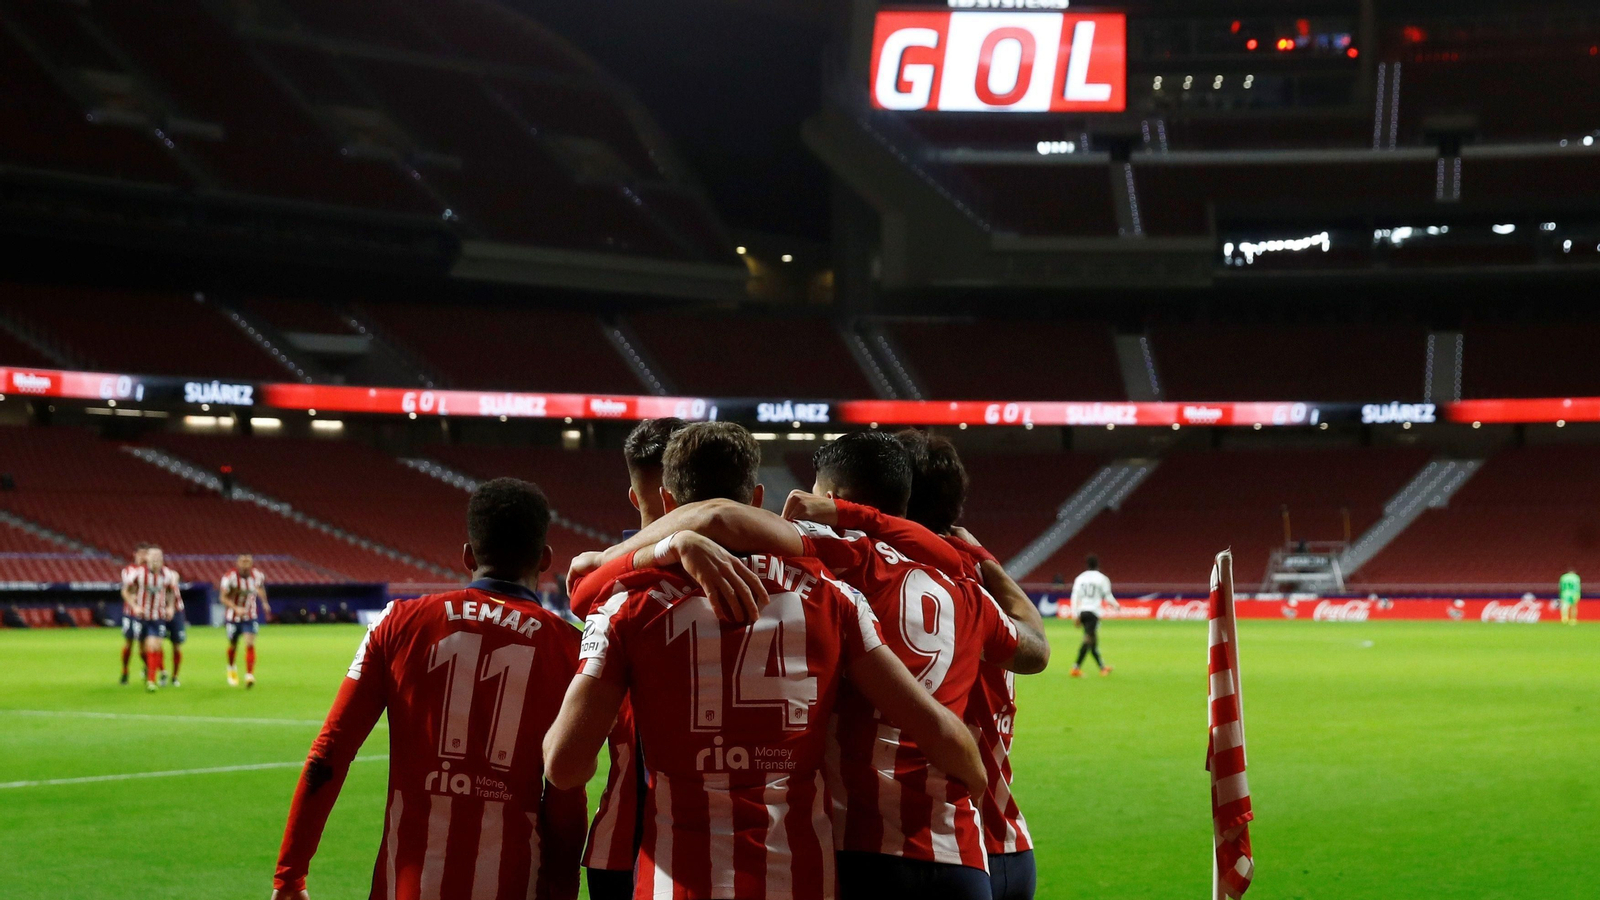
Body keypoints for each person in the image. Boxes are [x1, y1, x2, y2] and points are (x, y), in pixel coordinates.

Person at [585, 430, 1048, 899]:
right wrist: (986, 561)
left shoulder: (843, 559)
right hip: (967, 847)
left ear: (832, 498)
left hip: (859, 848)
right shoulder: (968, 589)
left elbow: (718, 516)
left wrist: (642, 550)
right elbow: (1035, 651)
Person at [272, 478, 587, 900]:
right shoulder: (570, 648)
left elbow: (329, 752)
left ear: (468, 555)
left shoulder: (397, 623)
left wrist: (289, 875)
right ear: (545, 558)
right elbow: (566, 792)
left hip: (405, 886)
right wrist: (563, 890)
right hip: (513, 882)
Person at [566, 416, 686, 900]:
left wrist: (610, 557)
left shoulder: (603, 591)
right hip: (734, 846)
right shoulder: (770, 580)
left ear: (635, 498)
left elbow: (565, 763)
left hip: (620, 843)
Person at [132, 546, 181, 692]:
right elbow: (126, 591)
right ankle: (156, 669)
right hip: (141, 616)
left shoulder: (167, 574)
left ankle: (151, 681)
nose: (155, 560)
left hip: (158, 616)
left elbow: (171, 592)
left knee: (153, 646)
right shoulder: (138, 574)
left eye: (158, 557)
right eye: (153, 557)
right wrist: (134, 606)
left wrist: (170, 607)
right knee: (142, 650)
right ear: (147, 558)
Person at [219, 553, 266, 687]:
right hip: (233, 616)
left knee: (250, 643)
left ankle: (249, 675)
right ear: (237, 563)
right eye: (243, 561)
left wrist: (264, 602)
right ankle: (231, 667)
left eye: (248, 561)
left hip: (250, 615)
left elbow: (260, 588)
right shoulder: (229, 577)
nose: (245, 564)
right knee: (233, 644)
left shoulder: (257, 575)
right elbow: (222, 597)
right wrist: (235, 608)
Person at [1070, 554, 1119, 677]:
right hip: (1093, 612)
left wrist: (1075, 614)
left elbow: (1074, 597)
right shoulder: (1102, 578)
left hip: (1082, 611)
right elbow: (1107, 596)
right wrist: (1116, 605)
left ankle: (1102, 667)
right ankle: (1075, 668)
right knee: (1088, 640)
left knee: (1093, 641)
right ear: (1098, 565)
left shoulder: (1080, 578)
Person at [118, 543, 149, 685]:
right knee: (129, 643)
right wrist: (135, 601)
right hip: (130, 612)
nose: (143, 556)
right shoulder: (128, 570)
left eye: (146, 553)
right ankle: (125, 671)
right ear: (135, 554)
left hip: (146, 612)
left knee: (143, 646)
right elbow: (127, 590)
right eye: (141, 553)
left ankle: (148, 667)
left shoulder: (150, 571)